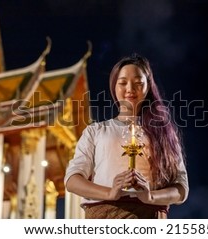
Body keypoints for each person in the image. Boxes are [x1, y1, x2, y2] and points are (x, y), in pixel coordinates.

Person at [64, 54, 189, 219]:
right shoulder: (96, 131)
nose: (130, 89)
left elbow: (181, 187)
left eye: (138, 83)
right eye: (123, 83)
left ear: (148, 87)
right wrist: (110, 192)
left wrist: (150, 196)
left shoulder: (164, 134)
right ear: (114, 87)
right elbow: (72, 180)